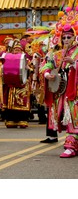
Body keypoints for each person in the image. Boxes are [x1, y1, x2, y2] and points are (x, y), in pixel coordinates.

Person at [40, 27, 78, 157]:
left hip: (75, 89)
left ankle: (71, 145)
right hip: (63, 92)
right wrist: (47, 74)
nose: (66, 39)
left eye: (69, 37)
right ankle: (70, 145)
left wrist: (74, 63)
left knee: (74, 117)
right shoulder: (57, 54)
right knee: (68, 118)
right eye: (64, 37)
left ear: (74, 37)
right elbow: (47, 65)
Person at [1, 40, 31, 128]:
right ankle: (11, 120)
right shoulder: (8, 59)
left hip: (23, 84)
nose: (16, 51)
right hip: (12, 84)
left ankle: (23, 120)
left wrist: (28, 68)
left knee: (22, 102)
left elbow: (32, 70)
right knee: (11, 102)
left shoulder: (26, 60)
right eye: (15, 49)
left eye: (18, 49)